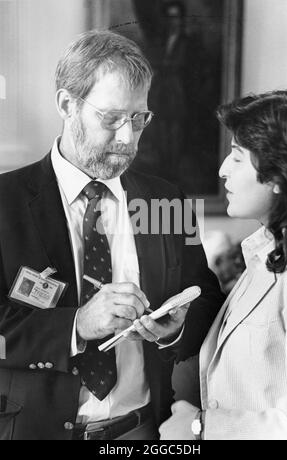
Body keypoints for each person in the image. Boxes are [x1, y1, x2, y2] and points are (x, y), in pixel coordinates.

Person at [0, 30, 223, 440]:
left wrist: (173, 329)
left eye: (139, 119)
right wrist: (77, 325)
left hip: (140, 431)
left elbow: (206, 300)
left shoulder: (164, 200)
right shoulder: (5, 202)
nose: (127, 138)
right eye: (111, 118)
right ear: (67, 104)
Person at [159, 90, 287, 440]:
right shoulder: (262, 254)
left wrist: (201, 426)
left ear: (277, 177)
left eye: (237, 158)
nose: (222, 170)